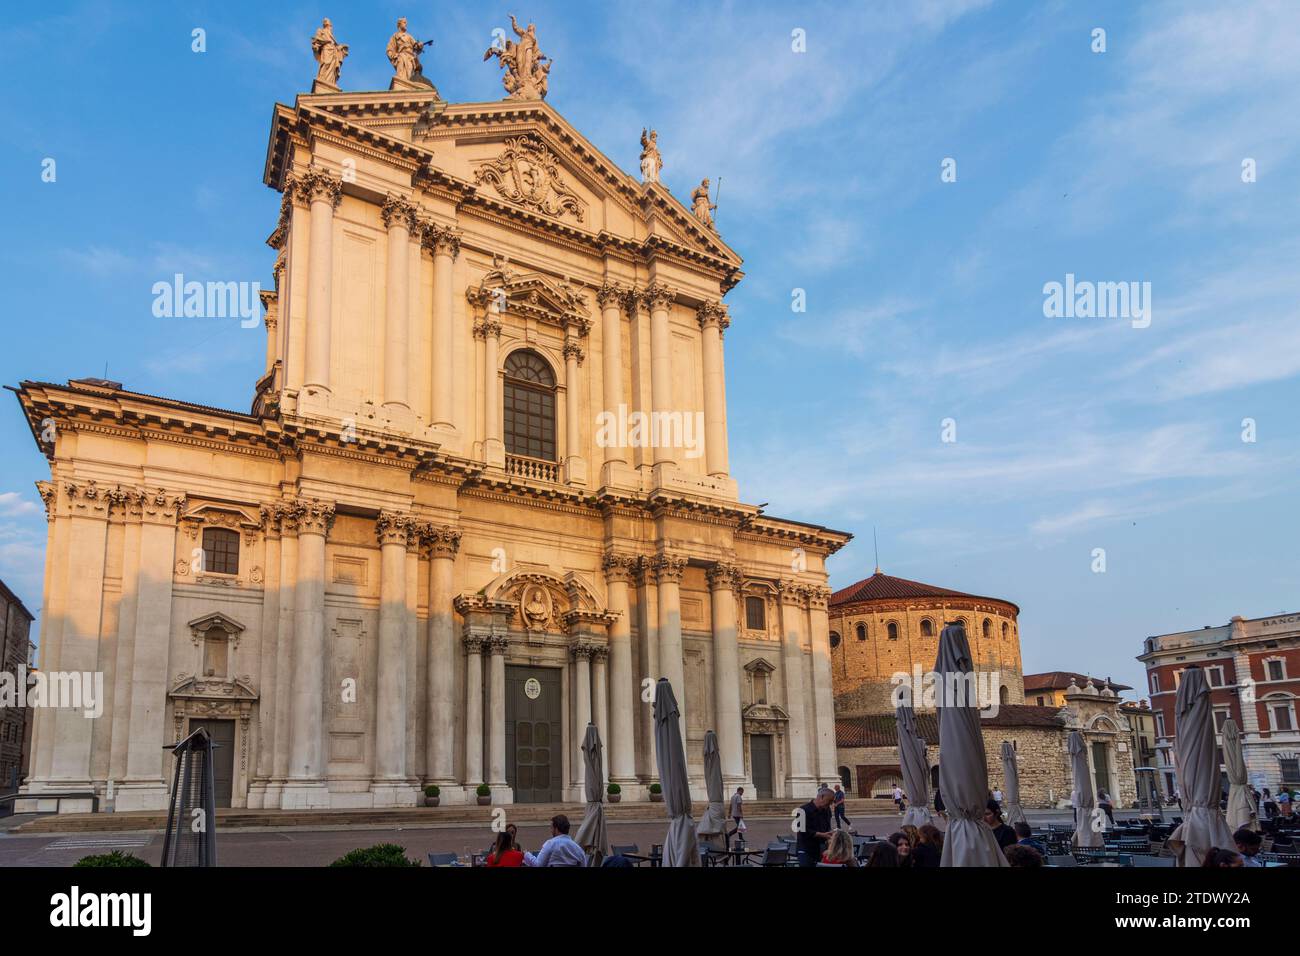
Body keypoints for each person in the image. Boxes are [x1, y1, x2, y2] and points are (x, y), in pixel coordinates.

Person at [796, 787, 836, 868]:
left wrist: (831, 834)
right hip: (806, 850)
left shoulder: (827, 810)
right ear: (822, 797)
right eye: (830, 801)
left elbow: (827, 827)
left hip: (822, 850)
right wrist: (822, 834)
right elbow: (802, 830)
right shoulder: (803, 810)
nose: (831, 804)